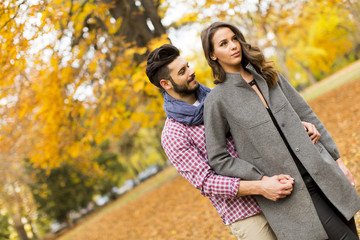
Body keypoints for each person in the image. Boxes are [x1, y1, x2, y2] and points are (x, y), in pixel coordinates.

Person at [145, 43, 323, 240]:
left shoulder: (220, 97)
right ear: (166, 84)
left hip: (280, 191)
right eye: (182, 71)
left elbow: (264, 124)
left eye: (187, 65)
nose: (192, 71)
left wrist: (300, 127)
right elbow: (206, 183)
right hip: (246, 213)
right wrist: (262, 187)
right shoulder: (173, 134)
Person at [201, 21, 360, 240]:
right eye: (223, 43)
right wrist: (260, 179)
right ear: (212, 55)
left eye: (234, 38)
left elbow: (306, 114)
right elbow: (218, 158)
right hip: (293, 193)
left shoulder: (267, 74)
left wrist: (338, 161)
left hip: (323, 172)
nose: (233, 46)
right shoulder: (217, 100)